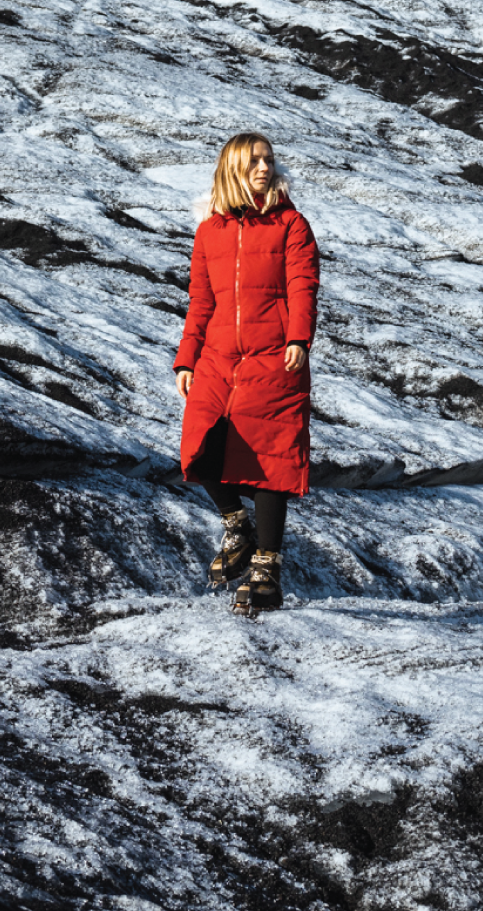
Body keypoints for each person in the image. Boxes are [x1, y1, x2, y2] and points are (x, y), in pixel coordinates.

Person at [174, 132, 320, 615]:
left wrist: (298, 338)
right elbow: (201, 301)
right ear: (232, 169)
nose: (264, 167)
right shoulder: (209, 231)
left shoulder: (291, 224)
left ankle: (266, 572)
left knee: (269, 458)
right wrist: (187, 358)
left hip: (275, 355)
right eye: (253, 160)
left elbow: (303, 284)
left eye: (268, 160)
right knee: (200, 443)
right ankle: (237, 526)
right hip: (217, 357)